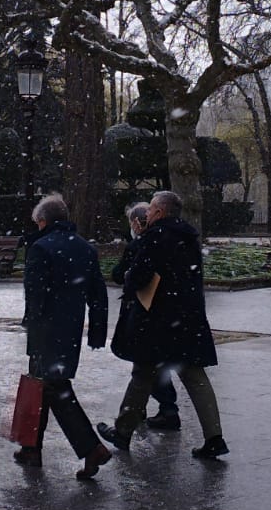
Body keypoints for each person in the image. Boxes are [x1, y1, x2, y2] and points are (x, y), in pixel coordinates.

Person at [98, 190, 229, 459]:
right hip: (189, 317)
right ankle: (214, 437)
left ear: (159, 211)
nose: (146, 214)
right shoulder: (189, 236)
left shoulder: (155, 236)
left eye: (151, 209)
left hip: (158, 320)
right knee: (195, 377)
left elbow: (140, 275)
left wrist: (128, 275)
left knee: (143, 373)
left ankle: (122, 433)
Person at [17, 193, 113, 480]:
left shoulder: (40, 248)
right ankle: (31, 447)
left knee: (53, 389)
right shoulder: (85, 248)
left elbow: (35, 296)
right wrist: (97, 331)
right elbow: (98, 294)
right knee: (44, 386)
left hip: (46, 330)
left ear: (43, 221)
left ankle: (92, 448)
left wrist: (32, 330)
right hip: (70, 330)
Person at [111, 201, 180, 429]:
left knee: (143, 367)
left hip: (143, 311)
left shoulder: (142, 244)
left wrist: (127, 274)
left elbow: (121, 275)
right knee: (149, 365)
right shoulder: (166, 240)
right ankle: (154, 408)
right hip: (161, 312)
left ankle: (143, 413)